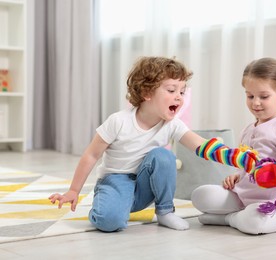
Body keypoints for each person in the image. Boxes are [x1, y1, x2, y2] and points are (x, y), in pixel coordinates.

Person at [49, 56, 206, 232]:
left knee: (163, 156)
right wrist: (73, 191)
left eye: (182, 92)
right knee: (109, 222)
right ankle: (107, 206)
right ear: (147, 93)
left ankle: (165, 211)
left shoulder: (172, 124)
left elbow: (198, 143)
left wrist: (228, 154)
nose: (179, 98)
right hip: (115, 180)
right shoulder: (118, 121)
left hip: (144, 184)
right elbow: (91, 155)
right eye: (171, 90)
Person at [191, 57, 276, 235]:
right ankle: (238, 215)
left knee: (256, 221)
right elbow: (248, 163)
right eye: (250, 96)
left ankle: (228, 219)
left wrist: (271, 174)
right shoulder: (247, 130)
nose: (255, 102)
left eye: (264, 96)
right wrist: (237, 176)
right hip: (244, 196)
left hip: (273, 205)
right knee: (201, 195)